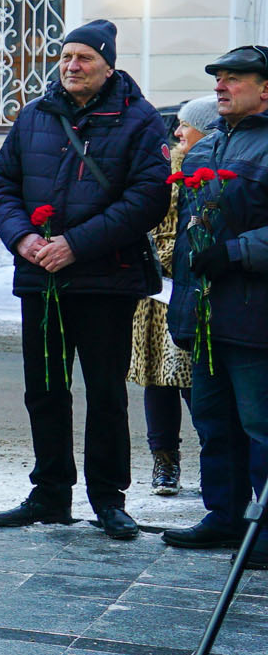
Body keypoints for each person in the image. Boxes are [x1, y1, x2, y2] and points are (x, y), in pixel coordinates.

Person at [0, 20, 170, 541]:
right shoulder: (34, 116)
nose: (72, 66)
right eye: (66, 57)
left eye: (84, 58)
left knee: (106, 394)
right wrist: (23, 239)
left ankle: (109, 498)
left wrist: (76, 244)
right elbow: (1, 183)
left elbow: (147, 200)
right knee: (44, 390)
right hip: (40, 279)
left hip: (105, 282)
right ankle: (50, 493)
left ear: (108, 64)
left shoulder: (140, 121)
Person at [163, 46, 268, 561]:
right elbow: (187, 241)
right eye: (219, 79)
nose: (221, 87)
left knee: (260, 426)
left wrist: (237, 253)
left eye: (234, 79)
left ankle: (264, 531)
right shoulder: (205, 151)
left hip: (255, 315)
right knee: (213, 422)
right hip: (205, 317)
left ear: (266, 88)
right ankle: (224, 516)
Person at [132, 95, 220, 494]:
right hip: (156, 294)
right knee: (157, 380)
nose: (179, 132)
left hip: (194, 288)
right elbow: (146, 221)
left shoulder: (211, 168)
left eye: (187, 125)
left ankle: (214, 459)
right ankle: (163, 460)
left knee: (195, 381)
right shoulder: (164, 168)